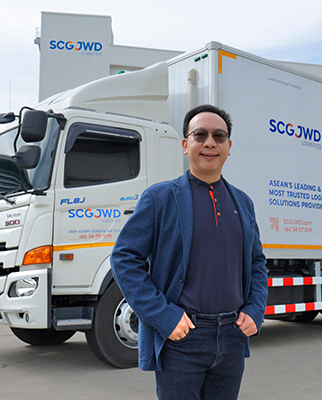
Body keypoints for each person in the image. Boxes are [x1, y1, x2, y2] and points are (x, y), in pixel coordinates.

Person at [110, 104, 268, 399]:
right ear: (186, 145)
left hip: (232, 336)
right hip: (182, 339)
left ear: (229, 147)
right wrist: (164, 316)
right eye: (200, 135)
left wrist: (255, 309)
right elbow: (124, 258)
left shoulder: (243, 202)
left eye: (219, 136)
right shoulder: (160, 198)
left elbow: (257, 262)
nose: (210, 142)